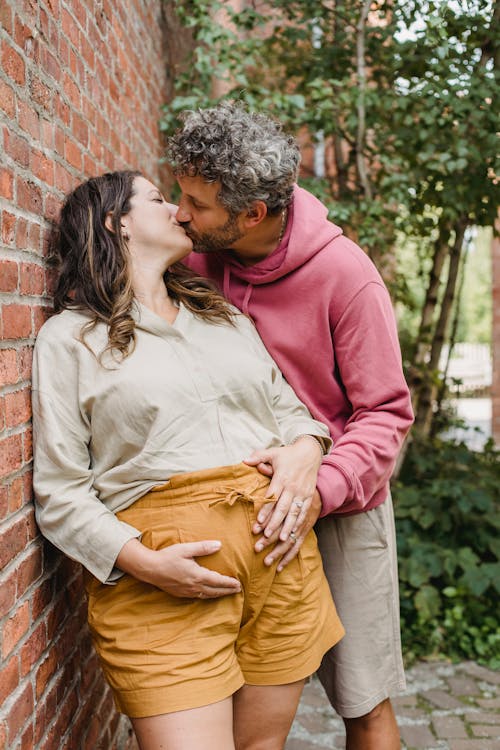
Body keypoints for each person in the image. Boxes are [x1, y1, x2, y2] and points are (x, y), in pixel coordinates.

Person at [31, 170, 345, 750]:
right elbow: (61, 491)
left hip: (281, 565)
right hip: (160, 588)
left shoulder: (223, 318)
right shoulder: (70, 339)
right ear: (115, 222)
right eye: (159, 199)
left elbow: (294, 413)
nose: (180, 211)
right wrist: (144, 564)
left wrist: (307, 451)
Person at [167, 103, 415, 750]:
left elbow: (386, 414)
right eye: (179, 195)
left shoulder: (345, 277)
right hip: (229, 507)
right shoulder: (194, 262)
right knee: (234, 709)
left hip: (336, 510)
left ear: (252, 214)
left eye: (197, 203)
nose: (180, 213)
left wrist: (319, 488)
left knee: (363, 705)